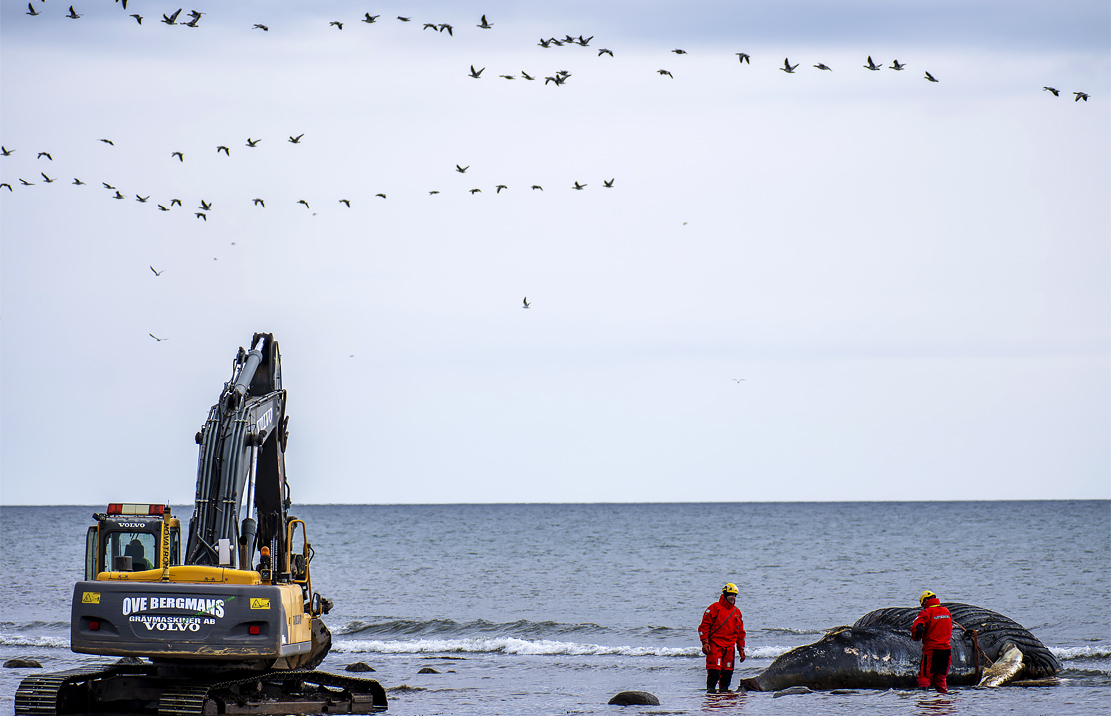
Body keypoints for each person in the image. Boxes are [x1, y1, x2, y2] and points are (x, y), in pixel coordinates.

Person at [698, 583, 746, 693]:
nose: (732, 597)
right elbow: (704, 627)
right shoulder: (714, 608)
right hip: (715, 646)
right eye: (730, 595)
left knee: (727, 675)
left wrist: (741, 649)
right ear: (724, 595)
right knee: (714, 672)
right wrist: (705, 643)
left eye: (734, 595)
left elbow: (740, 633)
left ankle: (724, 698)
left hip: (729, 648)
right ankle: (711, 696)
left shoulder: (737, 612)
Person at [911, 590, 953, 693]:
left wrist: (916, 637)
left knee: (924, 676)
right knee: (941, 678)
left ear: (925, 601)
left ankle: (923, 700)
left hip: (931, 650)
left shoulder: (926, 612)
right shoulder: (946, 611)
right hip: (946, 650)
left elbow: (917, 628)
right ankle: (943, 701)